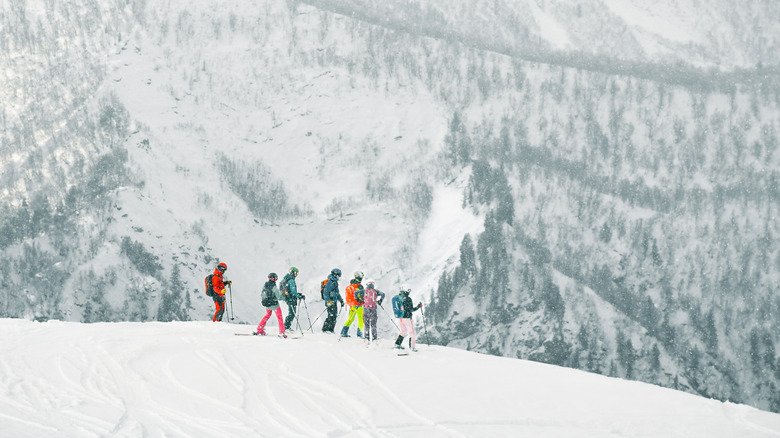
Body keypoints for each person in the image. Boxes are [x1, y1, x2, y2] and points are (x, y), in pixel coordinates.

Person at [255, 273, 286, 338]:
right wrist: (285, 297)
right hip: (275, 305)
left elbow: (262, 294)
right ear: (274, 278)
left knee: (267, 315)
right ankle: (282, 332)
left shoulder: (265, 285)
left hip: (268, 304)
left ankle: (259, 329)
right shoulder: (274, 286)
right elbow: (278, 297)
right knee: (279, 317)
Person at [340, 271, 365, 338]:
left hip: (352, 305)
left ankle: (343, 332)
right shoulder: (359, 286)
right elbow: (362, 296)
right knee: (361, 319)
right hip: (358, 305)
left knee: (350, 319)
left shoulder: (350, 286)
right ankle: (359, 334)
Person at [362, 279, 385, 344]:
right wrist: (380, 301)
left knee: (366, 325)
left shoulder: (364, 291)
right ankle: (374, 338)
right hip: (373, 309)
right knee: (373, 324)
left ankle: (367, 338)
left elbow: (356, 293)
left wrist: (359, 300)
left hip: (366, 309)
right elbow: (383, 294)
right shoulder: (375, 291)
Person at [281, 267, 304, 331]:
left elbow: (290, 290)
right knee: (292, 313)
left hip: (287, 298)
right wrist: (298, 296)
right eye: (296, 273)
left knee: (291, 313)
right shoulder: (291, 280)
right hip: (291, 298)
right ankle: (286, 327)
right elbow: (293, 291)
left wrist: (298, 294)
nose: (297, 274)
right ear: (294, 273)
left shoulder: (286, 279)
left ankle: (286, 326)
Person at [321, 268, 344, 333]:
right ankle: (325, 329)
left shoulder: (335, 282)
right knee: (331, 316)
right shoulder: (330, 282)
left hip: (334, 301)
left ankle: (331, 329)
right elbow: (326, 293)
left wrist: (341, 300)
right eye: (338, 275)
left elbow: (337, 293)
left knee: (334, 316)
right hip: (330, 302)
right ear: (335, 274)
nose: (339, 277)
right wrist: (328, 301)